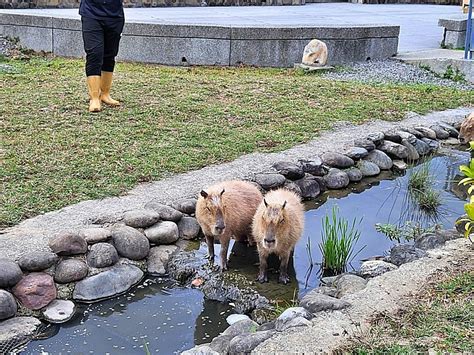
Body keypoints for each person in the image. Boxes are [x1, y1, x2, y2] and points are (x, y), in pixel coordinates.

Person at [79, 0, 125, 113]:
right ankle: (94, 98)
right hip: (91, 14)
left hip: (115, 15)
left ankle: (105, 94)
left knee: (110, 54)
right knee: (94, 53)